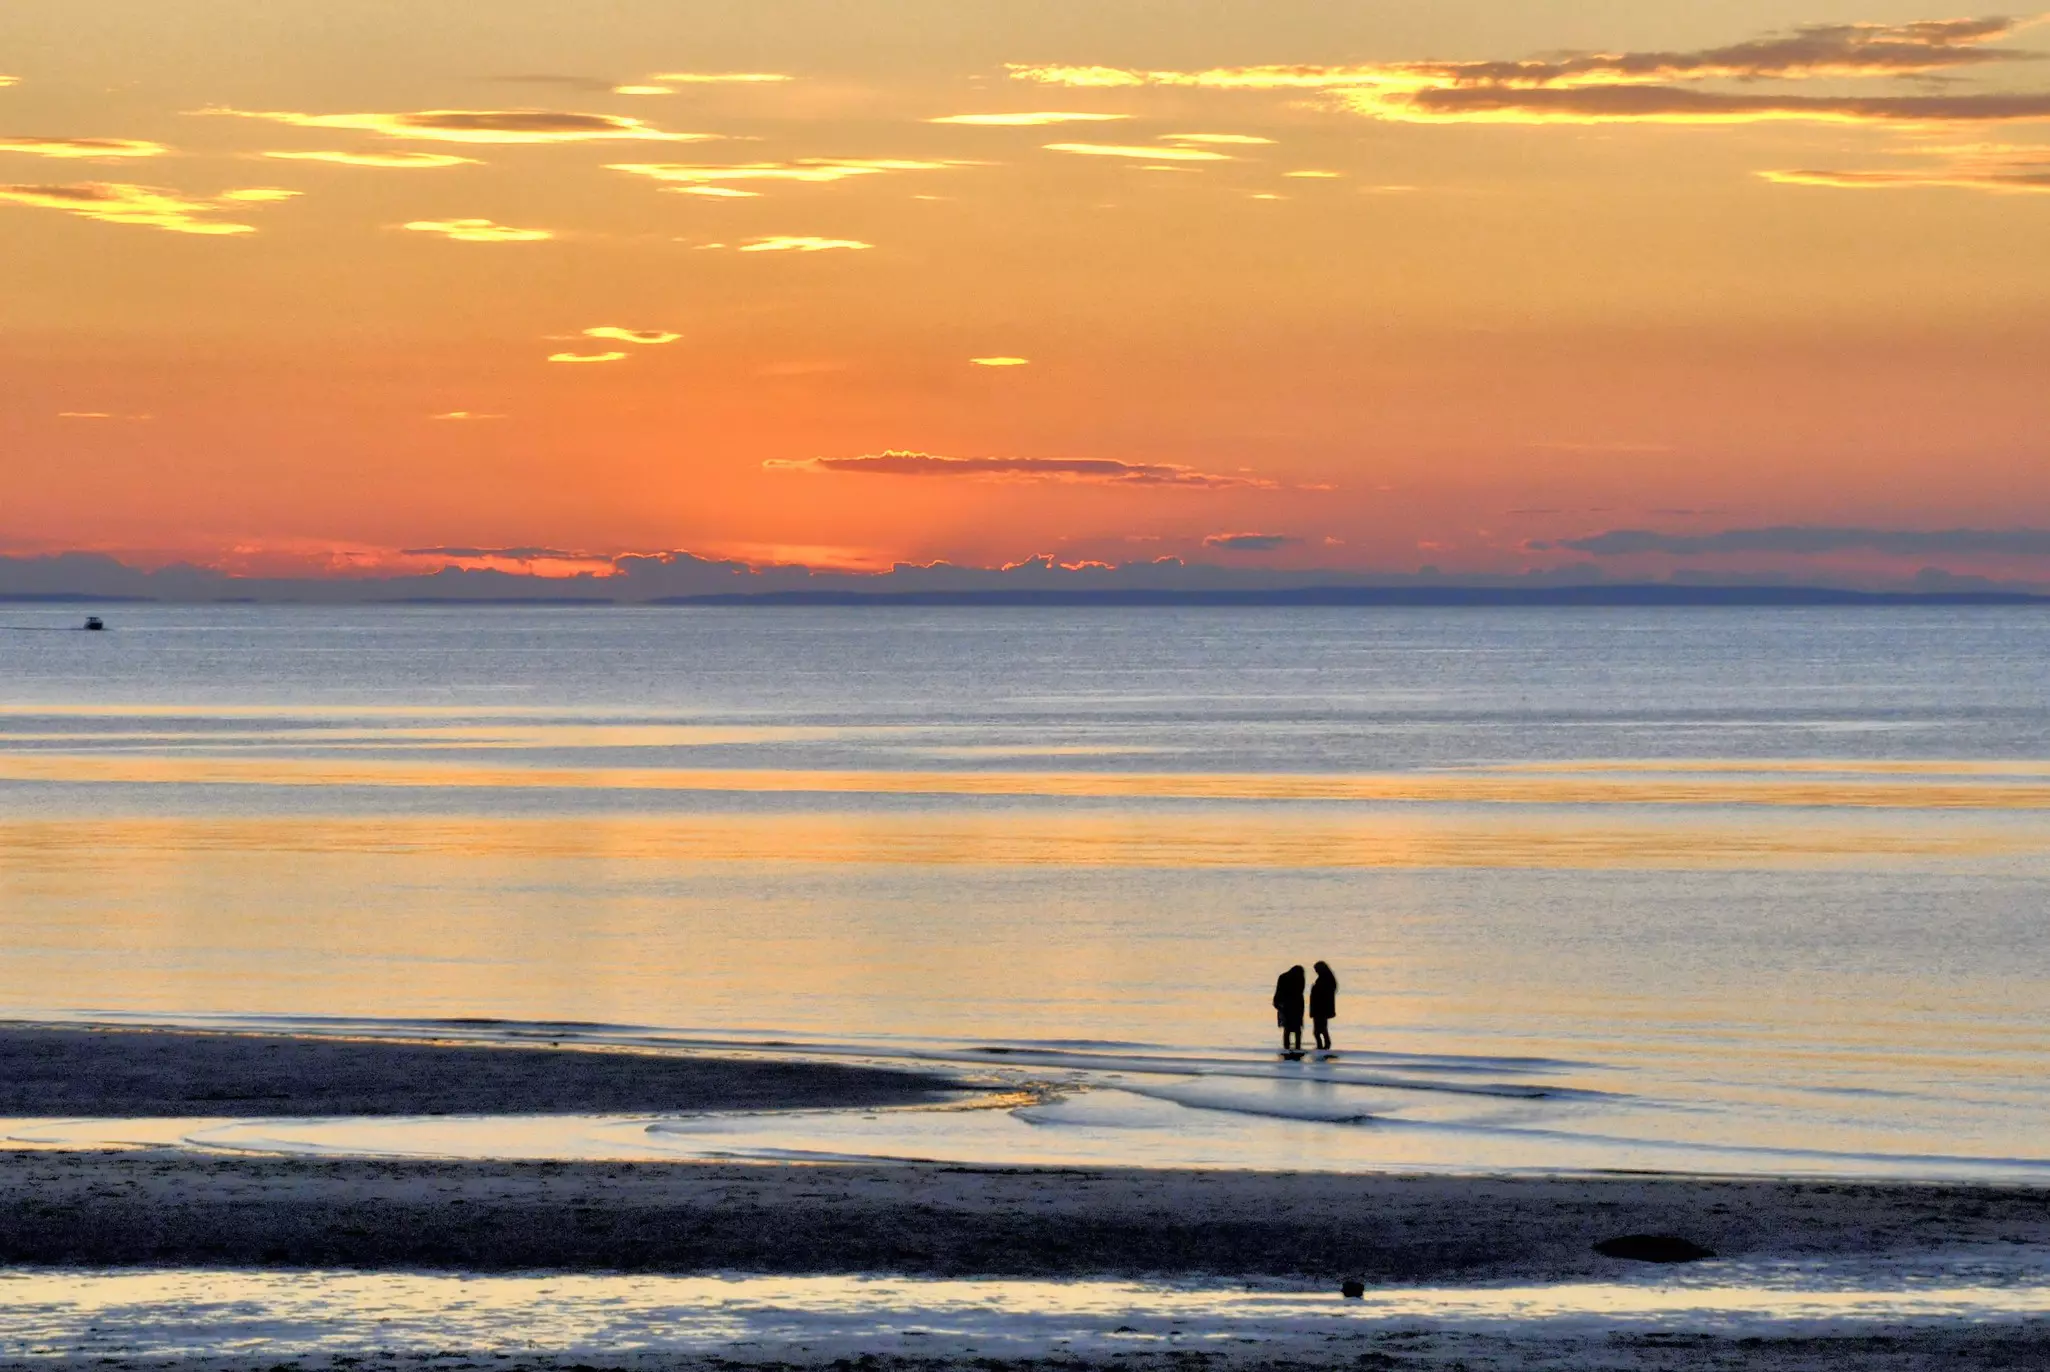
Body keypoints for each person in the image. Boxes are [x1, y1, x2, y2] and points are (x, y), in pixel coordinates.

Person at [1272, 964, 1306, 1054]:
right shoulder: (1300, 978)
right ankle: (1297, 1047)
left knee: (1287, 1028)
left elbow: (1278, 991)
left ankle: (1286, 1047)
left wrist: (1276, 1002)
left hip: (1286, 1005)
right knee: (1297, 1028)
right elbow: (1300, 991)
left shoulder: (1283, 977)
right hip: (1297, 1005)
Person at [1310, 960, 1339, 1052]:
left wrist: (1314, 988)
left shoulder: (1325, 980)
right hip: (1322, 1008)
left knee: (1318, 1030)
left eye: (1316, 970)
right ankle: (1323, 1045)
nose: (1316, 972)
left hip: (1320, 1008)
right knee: (1321, 1028)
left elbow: (1321, 993)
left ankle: (1323, 1045)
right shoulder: (1328, 979)